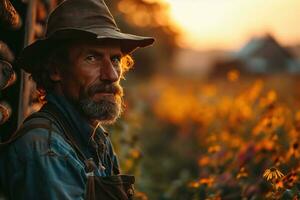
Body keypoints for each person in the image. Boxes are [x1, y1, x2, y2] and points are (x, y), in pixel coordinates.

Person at [0, 0, 154, 199]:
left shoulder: (97, 139)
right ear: (56, 70)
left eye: (115, 60)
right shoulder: (47, 151)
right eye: (92, 58)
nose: (111, 75)